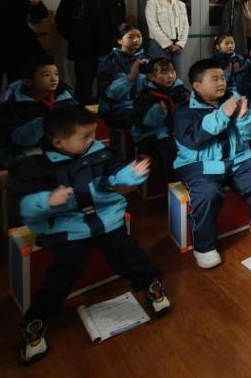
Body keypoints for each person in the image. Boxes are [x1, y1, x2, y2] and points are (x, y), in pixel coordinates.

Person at [9, 106, 170, 364]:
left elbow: (114, 175)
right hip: (67, 225)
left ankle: (151, 285)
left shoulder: (100, 153)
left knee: (126, 250)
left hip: (105, 216)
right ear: (58, 141)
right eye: (85, 136)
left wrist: (129, 175)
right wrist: (47, 201)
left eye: (93, 134)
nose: (92, 140)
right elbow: (21, 206)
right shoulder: (36, 167)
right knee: (69, 265)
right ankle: (36, 319)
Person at [174, 59, 251, 269]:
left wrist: (243, 117)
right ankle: (204, 246)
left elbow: (249, 134)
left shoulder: (233, 100)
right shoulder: (185, 112)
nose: (221, 82)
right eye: (214, 79)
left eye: (222, 78)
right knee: (207, 193)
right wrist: (223, 114)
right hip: (200, 165)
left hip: (236, 159)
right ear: (197, 86)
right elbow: (195, 140)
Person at [55, 0, 126, 104]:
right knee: (84, 86)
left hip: (109, 48)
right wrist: (74, 38)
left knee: (108, 86)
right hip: (84, 50)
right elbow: (61, 21)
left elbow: (121, 19)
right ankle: (85, 114)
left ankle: (105, 113)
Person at [0, 56, 77, 173]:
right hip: (26, 153)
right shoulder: (10, 107)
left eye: (56, 74)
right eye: (46, 75)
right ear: (27, 81)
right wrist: (45, 123)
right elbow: (19, 140)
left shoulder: (66, 97)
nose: (54, 79)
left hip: (61, 148)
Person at [131, 57, 190, 177]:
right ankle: (172, 182)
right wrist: (156, 113)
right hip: (151, 134)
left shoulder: (180, 91)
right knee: (170, 148)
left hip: (176, 130)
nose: (170, 76)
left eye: (172, 71)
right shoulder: (147, 95)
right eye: (164, 72)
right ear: (151, 77)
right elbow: (140, 122)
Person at [96, 23, 151, 130]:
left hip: (142, 107)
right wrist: (130, 79)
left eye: (139, 36)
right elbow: (107, 94)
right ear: (120, 40)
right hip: (117, 110)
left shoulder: (148, 60)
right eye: (130, 37)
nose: (136, 40)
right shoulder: (108, 63)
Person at [144, 0, 190, 78]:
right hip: (159, 45)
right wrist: (168, 44)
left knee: (177, 75)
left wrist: (180, 44)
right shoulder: (152, 3)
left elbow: (185, 25)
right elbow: (153, 26)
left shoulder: (180, 4)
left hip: (177, 45)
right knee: (160, 76)